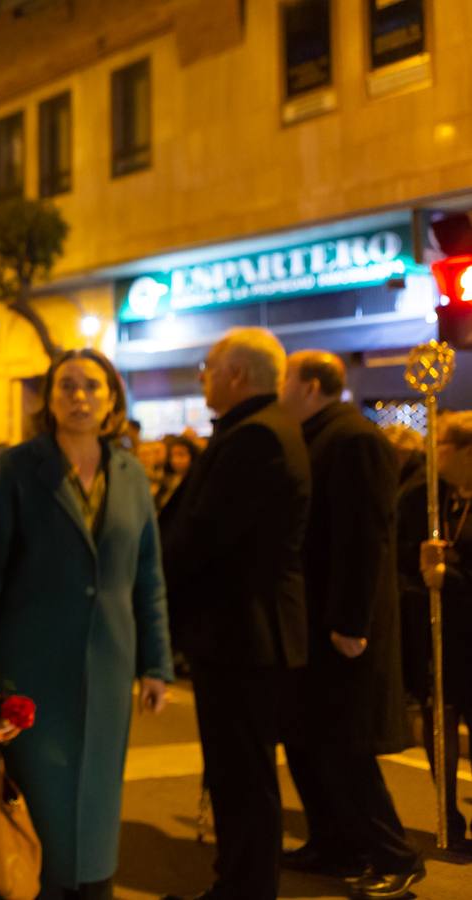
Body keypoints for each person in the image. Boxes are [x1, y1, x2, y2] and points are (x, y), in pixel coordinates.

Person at [0, 349, 172, 900]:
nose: (80, 396)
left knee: (99, 792)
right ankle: (23, 883)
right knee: (33, 795)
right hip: (28, 665)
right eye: (67, 386)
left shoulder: (131, 474)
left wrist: (157, 663)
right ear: (49, 399)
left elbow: (148, 574)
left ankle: (91, 885)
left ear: (112, 400)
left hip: (108, 665)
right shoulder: (17, 467)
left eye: (92, 387)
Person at [161, 327, 310, 900]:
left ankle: (244, 890)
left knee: (241, 776)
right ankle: (237, 885)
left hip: (244, 633)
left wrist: (151, 580)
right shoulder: (259, 430)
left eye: (208, 366)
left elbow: (206, 536)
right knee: (237, 774)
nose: (203, 376)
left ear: (236, 375)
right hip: (242, 631)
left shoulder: (256, 437)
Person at [276, 350, 422, 898]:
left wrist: (350, 622)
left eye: (285, 378)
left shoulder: (353, 438)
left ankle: (395, 855)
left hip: (344, 627)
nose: (279, 387)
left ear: (311, 385)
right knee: (309, 740)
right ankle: (333, 843)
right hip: (315, 620)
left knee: (343, 746)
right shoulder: (316, 435)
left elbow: (365, 540)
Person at [400, 410, 472, 858]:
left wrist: (451, 576)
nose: (434, 453)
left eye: (442, 444)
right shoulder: (434, 498)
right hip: (443, 639)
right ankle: (448, 815)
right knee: (438, 725)